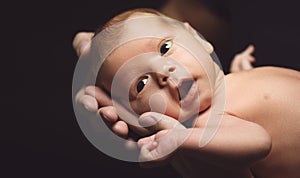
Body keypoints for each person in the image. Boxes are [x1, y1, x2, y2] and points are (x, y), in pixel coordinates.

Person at [73, 8, 300, 178]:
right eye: (141, 84)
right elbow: (259, 141)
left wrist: (244, 74)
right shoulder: (208, 126)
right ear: (135, 116)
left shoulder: (225, 87)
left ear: (199, 39)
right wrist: (181, 138)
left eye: (165, 48)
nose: (162, 72)